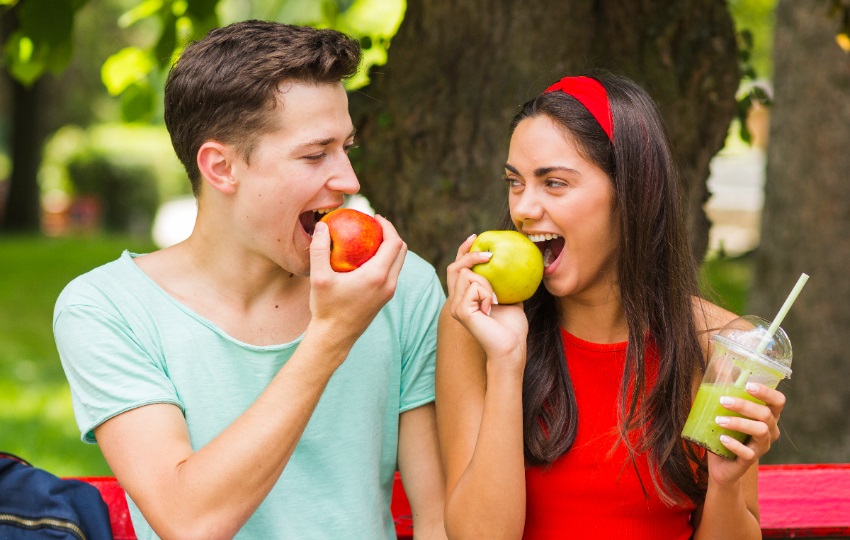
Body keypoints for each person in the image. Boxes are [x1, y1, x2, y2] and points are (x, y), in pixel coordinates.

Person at [54, 20, 447, 540]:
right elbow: (189, 520)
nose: (349, 182)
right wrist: (331, 336)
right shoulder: (106, 309)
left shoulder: (400, 285)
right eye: (314, 154)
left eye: (346, 149)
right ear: (221, 168)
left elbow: (440, 519)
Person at [436, 71, 785, 539]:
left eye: (554, 183)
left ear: (632, 193)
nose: (522, 208)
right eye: (515, 182)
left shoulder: (721, 344)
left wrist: (725, 483)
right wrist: (505, 363)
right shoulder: (474, 326)